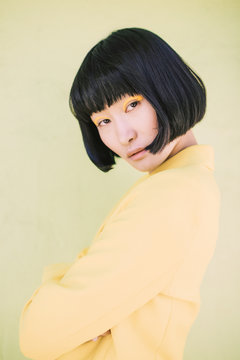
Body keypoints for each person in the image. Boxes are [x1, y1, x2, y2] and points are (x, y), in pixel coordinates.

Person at [19, 27, 221, 360]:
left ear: (168, 85)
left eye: (132, 104)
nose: (123, 136)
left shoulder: (172, 195)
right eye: (103, 121)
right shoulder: (182, 184)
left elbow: (35, 336)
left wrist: (56, 284)